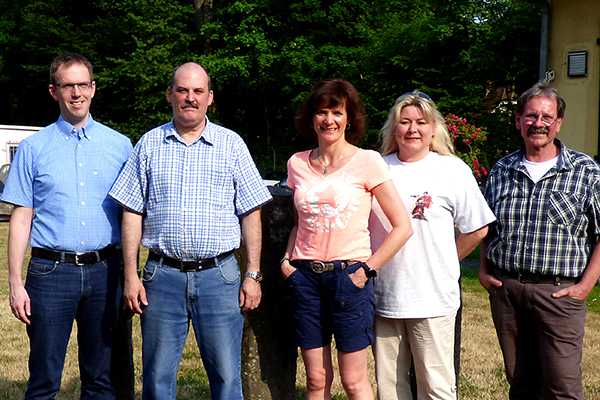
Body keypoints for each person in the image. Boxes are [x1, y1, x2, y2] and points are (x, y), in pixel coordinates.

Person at [108, 62, 272, 400]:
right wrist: (130, 275)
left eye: (198, 91)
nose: (190, 98)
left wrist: (253, 274)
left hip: (220, 276)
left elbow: (251, 212)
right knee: (156, 379)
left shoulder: (232, 144)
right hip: (162, 277)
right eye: (182, 90)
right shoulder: (149, 144)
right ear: (170, 95)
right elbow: (131, 212)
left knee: (227, 379)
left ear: (210, 98)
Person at [2, 52, 133, 399]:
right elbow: (21, 217)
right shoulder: (32, 149)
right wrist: (15, 283)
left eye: (82, 85)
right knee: (44, 378)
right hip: (50, 273)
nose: (76, 93)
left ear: (93, 88)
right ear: (53, 91)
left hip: (106, 271)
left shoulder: (121, 146)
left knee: (102, 379)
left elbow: (133, 215)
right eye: (67, 86)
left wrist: (132, 275)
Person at [280, 79, 412, 400]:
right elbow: (301, 221)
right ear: (312, 118)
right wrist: (287, 261)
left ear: (348, 118)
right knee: (316, 380)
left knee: (354, 382)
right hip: (305, 279)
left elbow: (402, 227)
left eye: (336, 112)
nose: (329, 120)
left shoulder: (367, 161)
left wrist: (365, 270)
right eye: (322, 112)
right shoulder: (296, 163)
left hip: (348, 280)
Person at [369, 91, 495, 400]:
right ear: (393, 128)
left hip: (433, 299)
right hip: (383, 296)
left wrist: (445, 261)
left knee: (436, 387)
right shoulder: (375, 168)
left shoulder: (452, 170)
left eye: (421, 122)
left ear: (434, 128)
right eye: (405, 122)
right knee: (390, 388)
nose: (412, 129)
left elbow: (477, 228)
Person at [479, 82, 600, 400]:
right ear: (518, 120)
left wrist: (585, 286)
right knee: (520, 383)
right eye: (531, 116)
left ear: (558, 122)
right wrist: (482, 269)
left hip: (559, 293)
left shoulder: (586, 172)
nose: (538, 123)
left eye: (547, 116)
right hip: (507, 292)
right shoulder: (502, 170)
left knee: (562, 387)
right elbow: (484, 226)